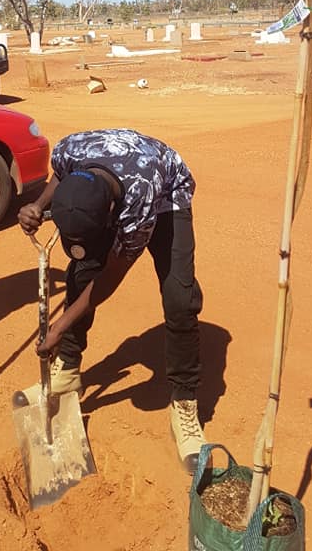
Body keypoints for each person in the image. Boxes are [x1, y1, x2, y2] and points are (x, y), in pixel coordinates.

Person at [13, 128, 207, 473]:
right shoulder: (70, 149)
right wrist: (38, 205)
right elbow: (61, 174)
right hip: (114, 174)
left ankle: (184, 401)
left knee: (180, 298)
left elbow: (109, 280)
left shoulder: (140, 199)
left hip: (166, 195)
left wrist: (59, 325)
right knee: (81, 269)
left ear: (112, 212)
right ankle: (69, 369)